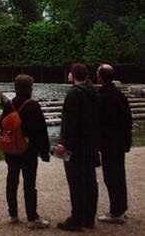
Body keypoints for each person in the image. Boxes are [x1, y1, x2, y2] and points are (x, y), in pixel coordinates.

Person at [0, 74, 50, 229]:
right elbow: (41, 132)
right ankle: (32, 217)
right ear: (29, 88)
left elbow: (3, 126)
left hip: (12, 150)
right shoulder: (33, 105)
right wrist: (44, 152)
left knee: (12, 181)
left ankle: (13, 215)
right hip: (28, 151)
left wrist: (8, 142)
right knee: (29, 184)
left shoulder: (9, 104)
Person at [56, 63, 100, 232]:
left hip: (75, 146)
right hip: (89, 144)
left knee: (76, 182)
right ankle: (89, 218)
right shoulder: (93, 92)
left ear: (72, 76)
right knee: (90, 179)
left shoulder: (74, 94)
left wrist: (64, 143)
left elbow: (71, 123)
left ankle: (76, 219)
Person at [97, 64, 132, 224]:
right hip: (119, 143)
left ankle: (116, 212)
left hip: (108, 144)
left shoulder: (103, 96)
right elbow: (128, 120)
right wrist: (126, 142)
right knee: (119, 175)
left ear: (101, 77)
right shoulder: (119, 95)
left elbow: (99, 123)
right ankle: (121, 208)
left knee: (111, 177)